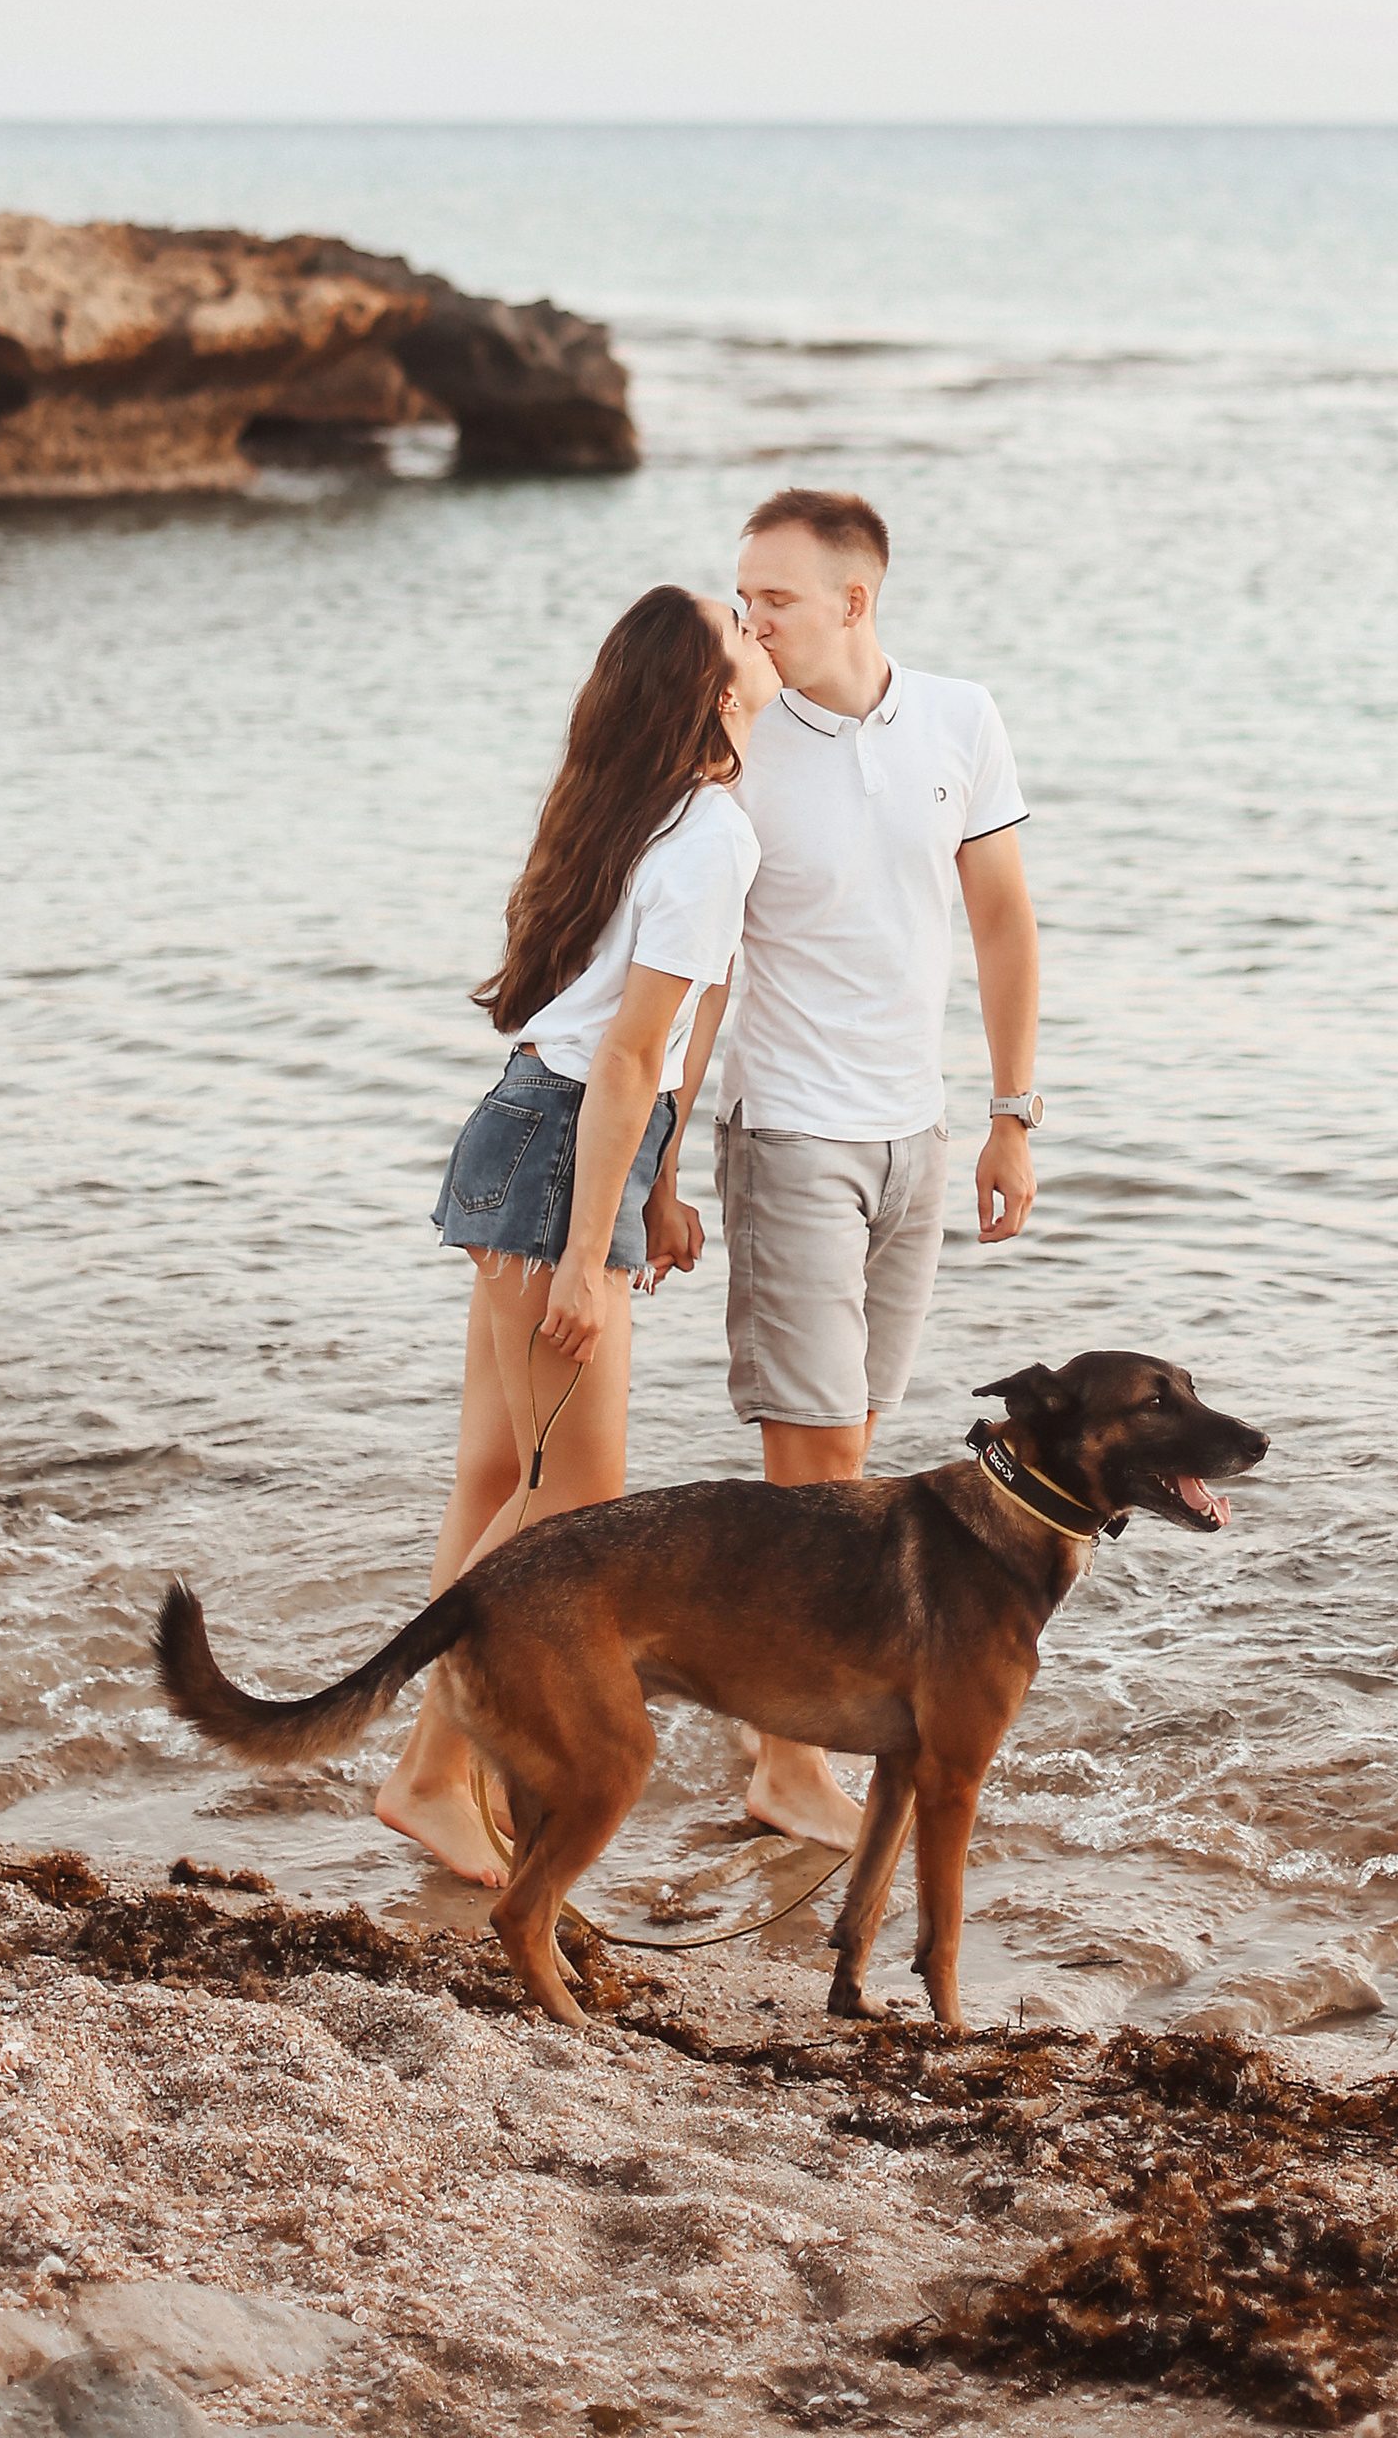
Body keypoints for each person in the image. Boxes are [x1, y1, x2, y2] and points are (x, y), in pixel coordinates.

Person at [374, 583, 779, 1885]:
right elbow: (629, 1057)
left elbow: (636, 1046)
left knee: (497, 1480)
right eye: (742, 635)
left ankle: (458, 1775)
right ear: (715, 698)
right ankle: (431, 1776)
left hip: (528, 1127)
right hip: (565, 1155)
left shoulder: (638, 808)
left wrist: (652, 1193)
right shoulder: (709, 829)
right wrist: (592, 1253)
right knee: (574, 1500)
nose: (762, 641)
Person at [718, 486, 1042, 1845]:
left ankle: (792, 1742)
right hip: (788, 1128)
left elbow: (1006, 923)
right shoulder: (730, 735)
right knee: (821, 1467)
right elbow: (691, 950)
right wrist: (663, 1162)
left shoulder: (961, 719)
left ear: (854, 601)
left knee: (854, 1448)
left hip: (916, 1135)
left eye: (775, 602)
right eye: (743, 600)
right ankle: (791, 1764)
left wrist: (1011, 1112)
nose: (752, 623)